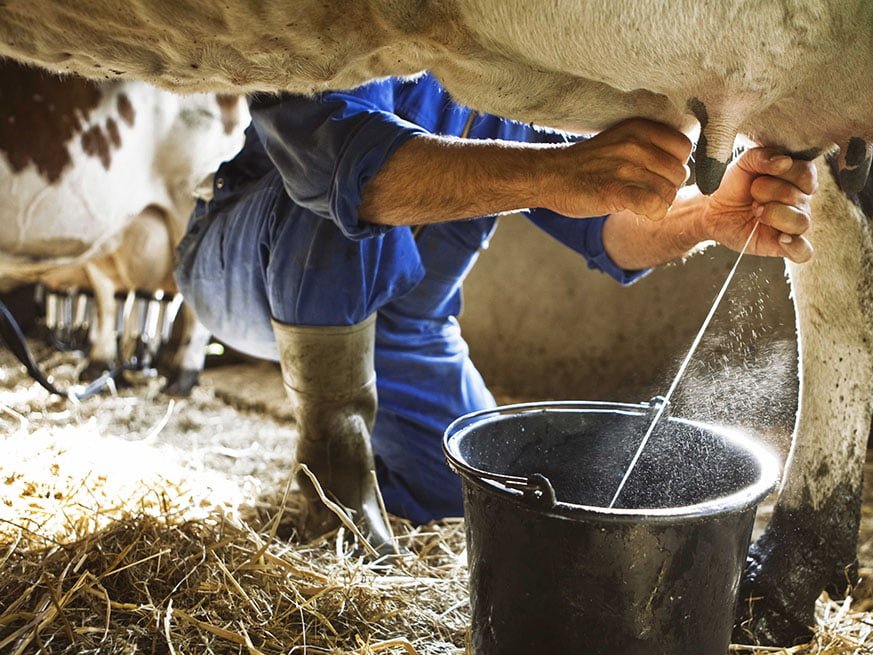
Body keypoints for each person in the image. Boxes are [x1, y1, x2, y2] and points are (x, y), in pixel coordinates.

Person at [175, 73, 817, 552]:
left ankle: (384, 469)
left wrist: (706, 215)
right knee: (341, 197)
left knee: (475, 493)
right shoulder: (357, 27)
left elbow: (610, 230)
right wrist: (556, 173)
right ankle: (333, 481)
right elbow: (341, 168)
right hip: (244, 263)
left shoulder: (513, 73)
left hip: (406, 331)